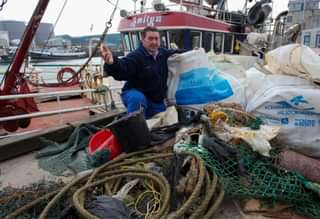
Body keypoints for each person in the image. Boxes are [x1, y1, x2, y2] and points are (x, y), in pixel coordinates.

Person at [100, 26, 184, 119]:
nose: (154, 42)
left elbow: (177, 52)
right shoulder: (136, 56)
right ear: (143, 40)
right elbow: (123, 68)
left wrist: (195, 52)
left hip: (155, 100)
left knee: (161, 124)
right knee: (137, 98)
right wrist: (112, 63)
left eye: (156, 39)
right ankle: (134, 128)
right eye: (150, 39)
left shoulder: (162, 53)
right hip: (135, 93)